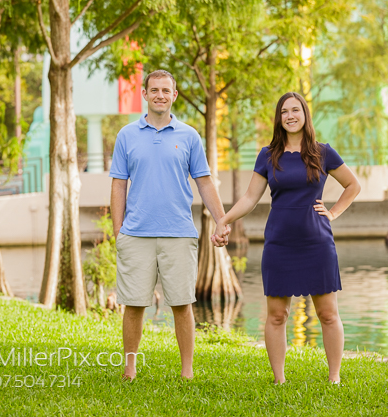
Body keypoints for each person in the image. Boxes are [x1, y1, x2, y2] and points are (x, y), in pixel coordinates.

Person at [212, 92, 360, 384]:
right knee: (277, 315)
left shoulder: (323, 152)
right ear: (279, 119)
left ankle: (334, 377)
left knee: (328, 313)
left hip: (317, 241)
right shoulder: (268, 155)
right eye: (284, 112)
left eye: (296, 110)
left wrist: (332, 213)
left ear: (305, 114)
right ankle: (279, 380)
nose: (290, 116)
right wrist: (224, 220)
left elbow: (352, 185)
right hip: (279, 242)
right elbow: (250, 198)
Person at [109, 69, 230, 380]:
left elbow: (204, 182)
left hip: (179, 233)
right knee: (134, 305)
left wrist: (221, 221)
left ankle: (187, 371)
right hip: (136, 234)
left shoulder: (189, 136)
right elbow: (119, 185)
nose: (160, 95)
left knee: (182, 304)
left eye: (166, 90)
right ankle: (130, 368)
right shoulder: (127, 135)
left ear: (174, 95)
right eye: (154, 89)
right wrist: (118, 230)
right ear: (145, 95)